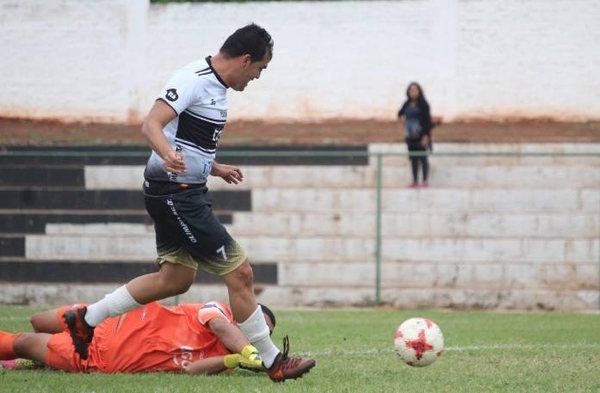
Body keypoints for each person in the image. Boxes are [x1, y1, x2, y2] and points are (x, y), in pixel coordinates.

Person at [62, 23, 315, 382]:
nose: (258, 77)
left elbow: (188, 141)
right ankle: (274, 362)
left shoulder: (218, 88)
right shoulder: (192, 78)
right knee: (241, 273)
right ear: (245, 60)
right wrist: (167, 155)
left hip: (184, 191)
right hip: (175, 193)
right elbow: (152, 124)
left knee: (175, 280)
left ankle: (85, 320)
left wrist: (215, 167)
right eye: (260, 68)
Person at [0, 301, 276, 374]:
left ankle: (31, 360)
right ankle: (40, 363)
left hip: (105, 356)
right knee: (38, 321)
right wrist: (250, 352)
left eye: (266, 335)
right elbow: (219, 327)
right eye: (259, 328)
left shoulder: (223, 360)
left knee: (24, 343)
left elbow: (192, 370)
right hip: (106, 320)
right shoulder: (219, 312)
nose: (260, 335)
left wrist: (232, 358)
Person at [397, 82, 435, 188]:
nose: (413, 92)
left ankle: (424, 181)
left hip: (421, 134)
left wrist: (426, 136)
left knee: (422, 158)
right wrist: (402, 118)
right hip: (410, 136)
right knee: (413, 158)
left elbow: (427, 121)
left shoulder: (423, 104)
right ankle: (414, 180)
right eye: (411, 90)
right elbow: (400, 113)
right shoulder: (407, 103)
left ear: (419, 91)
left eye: (415, 90)